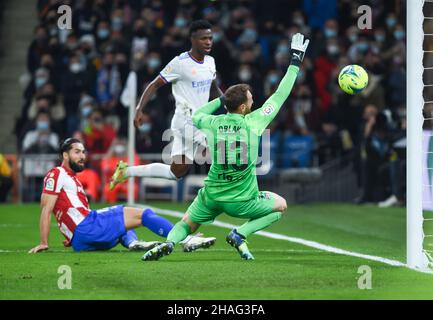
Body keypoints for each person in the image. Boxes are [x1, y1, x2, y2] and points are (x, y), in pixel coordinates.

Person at [142, 33, 309, 261]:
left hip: (212, 194)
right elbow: (281, 94)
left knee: (187, 223)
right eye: (250, 100)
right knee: (280, 205)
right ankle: (240, 234)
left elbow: (198, 114)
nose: (253, 101)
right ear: (242, 107)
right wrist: (295, 61)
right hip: (241, 201)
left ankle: (169, 242)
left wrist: (221, 100)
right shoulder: (255, 122)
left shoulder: (212, 123)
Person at [28, 138, 215, 254]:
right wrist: (44, 242)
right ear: (65, 155)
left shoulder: (73, 179)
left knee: (120, 224)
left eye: (83, 152)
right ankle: (184, 239)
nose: (82, 156)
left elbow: (66, 213)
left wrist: (70, 236)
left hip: (80, 240)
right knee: (144, 215)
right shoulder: (57, 173)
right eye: (77, 152)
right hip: (86, 227)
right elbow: (46, 209)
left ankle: (133, 243)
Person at [109, 20, 223, 188]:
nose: (208, 42)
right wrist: (139, 108)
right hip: (186, 120)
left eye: (210, 38)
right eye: (203, 38)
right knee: (222, 147)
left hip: (200, 119)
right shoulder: (180, 63)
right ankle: (231, 198)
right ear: (193, 40)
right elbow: (154, 84)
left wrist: (227, 103)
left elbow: (213, 89)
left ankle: (126, 172)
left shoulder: (210, 62)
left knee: (175, 172)